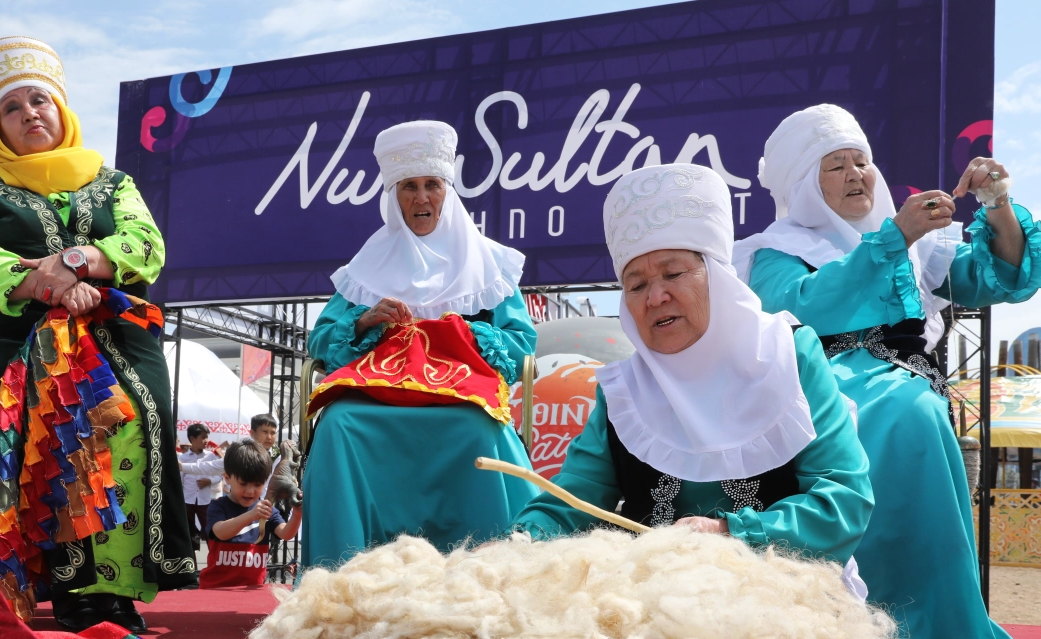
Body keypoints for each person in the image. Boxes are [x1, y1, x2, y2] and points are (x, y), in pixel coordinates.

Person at [731, 104, 1041, 639]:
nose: (857, 174)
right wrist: (893, 237)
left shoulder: (924, 246)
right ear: (805, 183)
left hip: (903, 379)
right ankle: (841, 618)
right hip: (814, 379)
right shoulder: (773, 249)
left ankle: (918, 620)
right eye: (836, 165)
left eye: (863, 161)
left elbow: (1001, 276)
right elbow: (803, 305)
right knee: (876, 416)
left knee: (913, 408)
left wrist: (996, 202)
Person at [0, 37, 195, 632]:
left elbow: (146, 246)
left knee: (130, 414)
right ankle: (34, 582)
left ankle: (109, 587)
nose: (30, 113)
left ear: (62, 109)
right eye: (12, 108)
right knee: (27, 427)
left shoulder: (114, 184)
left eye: (40, 100)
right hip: (12, 337)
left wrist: (78, 260)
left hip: (111, 332)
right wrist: (45, 285)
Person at [511, 165, 873, 573]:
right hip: (652, 601)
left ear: (715, 276)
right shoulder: (625, 390)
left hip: (779, 590)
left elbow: (843, 499)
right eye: (636, 285)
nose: (656, 296)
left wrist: (729, 535)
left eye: (673, 273)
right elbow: (572, 500)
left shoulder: (788, 353)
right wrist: (522, 542)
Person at [303, 120, 539, 569]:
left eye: (432, 184)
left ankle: (493, 575)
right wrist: (364, 322)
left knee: (481, 428)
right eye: (408, 186)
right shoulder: (367, 265)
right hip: (376, 401)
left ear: (448, 191)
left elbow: (520, 346)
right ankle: (340, 580)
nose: (422, 197)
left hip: (463, 402)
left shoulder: (489, 264)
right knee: (336, 425)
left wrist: (464, 333)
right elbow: (321, 339)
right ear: (393, 197)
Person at [206, 439, 302, 545]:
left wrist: (297, 514)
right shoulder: (219, 506)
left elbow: (286, 534)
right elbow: (220, 532)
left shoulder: (267, 509)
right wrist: (251, 515)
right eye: (243, 483)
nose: (250, 491)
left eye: (257, 484)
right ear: (227, 478)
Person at [179, 423, 223, 548]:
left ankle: (213, 560)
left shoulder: (210, 456)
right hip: (188, 501)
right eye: (203, 437)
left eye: (207, 437)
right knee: (189, 533)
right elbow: (180, 480)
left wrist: (209, 481)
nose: (206, 441)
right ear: (193, 439)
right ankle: (192, 563)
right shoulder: (183, 458)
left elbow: (219, 475)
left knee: (209, 531)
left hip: (204, 501)